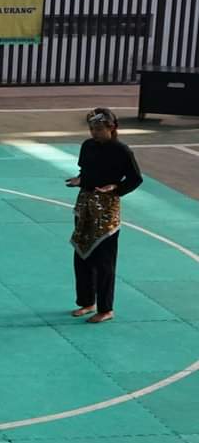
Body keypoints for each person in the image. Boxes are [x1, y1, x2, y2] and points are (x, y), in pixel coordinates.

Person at [65, 108, 143, 324]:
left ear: (112, 128)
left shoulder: (121, 150)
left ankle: (106, 308)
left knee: (104, 259)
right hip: (85, 204)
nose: (94, 133)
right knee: (82, 253)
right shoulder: (87, 146)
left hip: (107, 208)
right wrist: (79, 180)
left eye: (99, 129)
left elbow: (136, 179)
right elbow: (86, 172)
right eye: (92, 129)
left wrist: (116, 188)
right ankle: (86, 301)